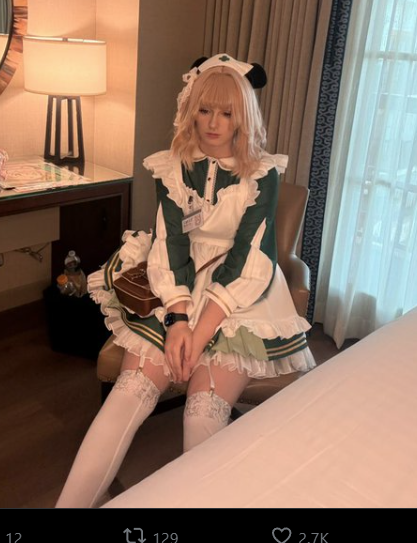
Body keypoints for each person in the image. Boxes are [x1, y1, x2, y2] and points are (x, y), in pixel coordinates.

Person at [55, 53, 316, 508]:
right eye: (204, 109)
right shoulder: (173, 166)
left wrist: (201, 331)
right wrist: (178, 319)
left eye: (227, 112)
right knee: (127, 395)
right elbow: (170, 243)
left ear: (243, 117)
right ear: (190, 109)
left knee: (201, 415)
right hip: (180, 284)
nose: (213, 123)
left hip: (242, 295)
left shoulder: (263, 172)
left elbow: (250, 256)